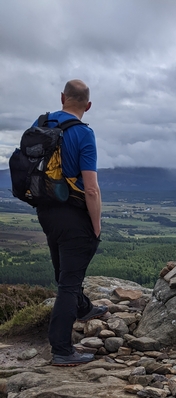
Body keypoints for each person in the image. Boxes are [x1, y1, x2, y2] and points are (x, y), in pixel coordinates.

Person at [35, 79, 107, 366]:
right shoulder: (83, 134)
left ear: (62, 97)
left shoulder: (41, 122)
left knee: (62, 270)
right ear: (88, 106)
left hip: (45, 209)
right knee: (68, 282)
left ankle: (84, 308)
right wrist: (96, 223)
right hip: (72, 213)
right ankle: (62, 350)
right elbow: (91, 188)